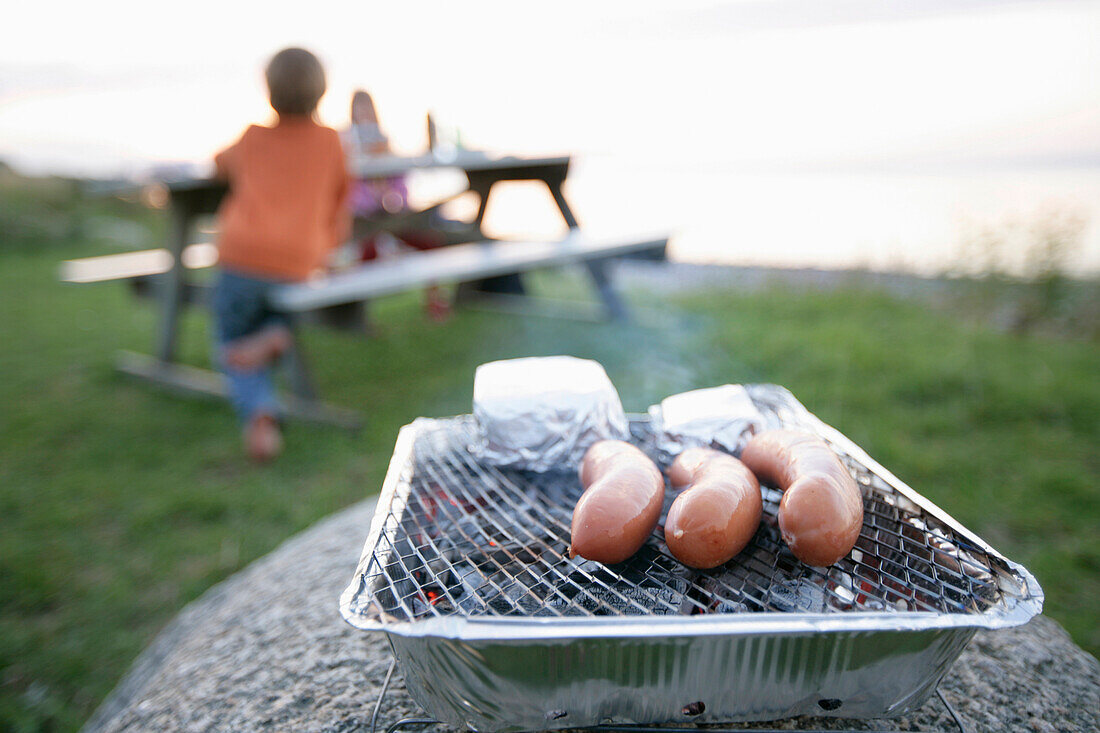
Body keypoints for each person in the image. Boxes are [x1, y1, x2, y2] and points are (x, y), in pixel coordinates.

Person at [211, 47, 349, 461]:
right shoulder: (330, 142)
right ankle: (275, 334)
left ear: (269, 90)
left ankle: (259, 413)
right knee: (270, 316)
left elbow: (219, 165)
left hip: (241, 257)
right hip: (298, 261)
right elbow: (342, 197)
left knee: (231, 339)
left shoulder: (254, 137)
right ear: (320, 92)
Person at [341, 89, 451, 321]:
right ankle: (358, 316)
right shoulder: (344, 144)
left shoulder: (384, 142)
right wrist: (372, 192)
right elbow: (346, 194)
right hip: (363, 219)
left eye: (367, 108)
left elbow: (401, 186)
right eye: (359, 109)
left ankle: (435, 302)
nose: (364, 114)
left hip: (390, 215)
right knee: (367, 252)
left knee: (428, 242)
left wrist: (389, 194)